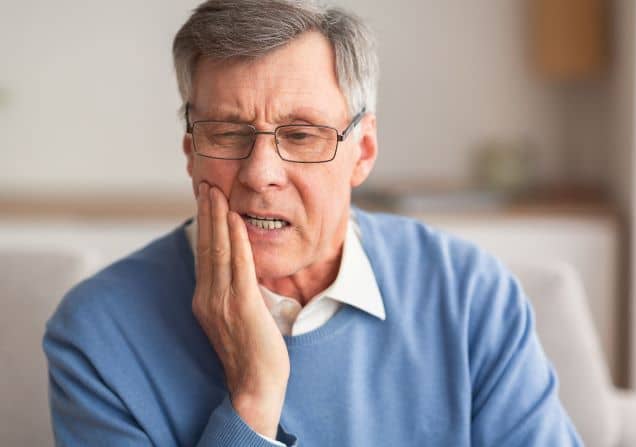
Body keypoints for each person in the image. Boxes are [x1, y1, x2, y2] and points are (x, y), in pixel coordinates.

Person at [42, 0, 583, 445]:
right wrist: (253, 398)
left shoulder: (470, 297)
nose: (260, 174)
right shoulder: (96, 333)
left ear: (363, 150)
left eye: (301, 135)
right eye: (228, 134)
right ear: (191, 152)